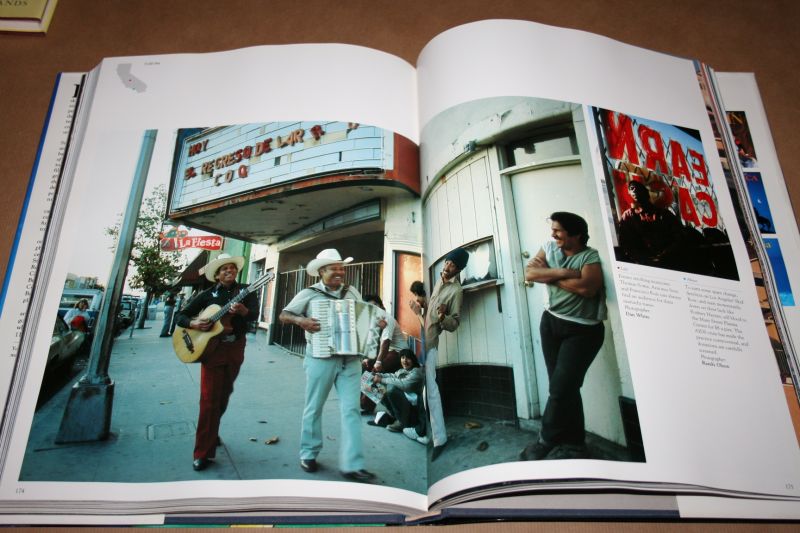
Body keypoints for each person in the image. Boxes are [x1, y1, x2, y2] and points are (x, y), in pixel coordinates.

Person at [278, 248, 375, 483]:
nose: (340, 272)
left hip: (350, 359)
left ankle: (353, 464)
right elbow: (284, 314)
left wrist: (374, 323)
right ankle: (308, 453)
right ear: (322, 271)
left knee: (351, 409)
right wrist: (301, 320)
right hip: (321, 357)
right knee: (314, 407)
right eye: (334, 268)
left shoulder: (352, 292)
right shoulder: (309, 293)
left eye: (342, 268)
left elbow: (363, 317)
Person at [520, 212, 606, 461]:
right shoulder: (549, 247)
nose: (552, 234)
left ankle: (545, 441)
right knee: (566, 389)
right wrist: (568, 274)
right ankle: (576, 444)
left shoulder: (590, 256)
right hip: (551, 324)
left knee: (560, 388)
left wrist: (550, 274)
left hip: (583, 330)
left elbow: (588, 289)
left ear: (576, 234)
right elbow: (530, 274)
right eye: (553, 229)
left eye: (558, 230)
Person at [175, 253, 258, 471]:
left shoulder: (246, 291)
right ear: (217, 275)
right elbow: (181, 316)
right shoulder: (206, 295)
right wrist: (194, 323)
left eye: (232, 268)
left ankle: (212, 431)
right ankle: (202, 452)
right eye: (224, 269)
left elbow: (254, 316)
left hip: (235, 347)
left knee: (223, 395)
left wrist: (244, 311)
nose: (229, 271)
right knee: (209, 399)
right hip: (211, 349)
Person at [403, 247, 468, 461]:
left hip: (430, 345)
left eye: (452, 265)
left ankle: (439, 439)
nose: (447, 266)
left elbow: (454, 324)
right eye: (447, 262)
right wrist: (419, 310)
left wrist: (442, 317)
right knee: (422, 391)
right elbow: (428, 316)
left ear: (459, 269)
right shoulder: (438, 280)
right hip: (420, 340)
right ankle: (421, 430)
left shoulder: (456, 291)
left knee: (431, 391)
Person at [617, 180, 684, 269]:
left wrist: (665, 254)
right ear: (630, 195)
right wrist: (643, 260)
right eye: (631, 188)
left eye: (638, 187)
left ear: (646, 193)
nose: (634, 189)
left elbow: (679, 235)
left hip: (668, 261)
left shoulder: (663, 213)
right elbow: (626, 243)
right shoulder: (628, 216)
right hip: (643, 264)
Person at [360, 295, 406, 413]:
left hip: (399, 354)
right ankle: (363, 401)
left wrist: (378, 362)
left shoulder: (387, 319)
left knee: (376, 371)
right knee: (364, 366)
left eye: (375, 305)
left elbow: (385, 343)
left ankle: (366, 405)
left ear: (381, 306)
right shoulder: (375, 321)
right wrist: (368, 359)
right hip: (389, 352)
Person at [370, 349, 424, 432]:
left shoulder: (416, 372)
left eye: (408, 358)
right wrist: (377, 375)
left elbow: (404, 385)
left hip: (412, 409)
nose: (405, 361)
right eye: (403, 357)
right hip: (403, 406)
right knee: (375, 387)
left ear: (413, 360)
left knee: (391, 389)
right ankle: (395, 416)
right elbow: (392, 376)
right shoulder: (402, 371)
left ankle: (402, 422)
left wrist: (381, 380)